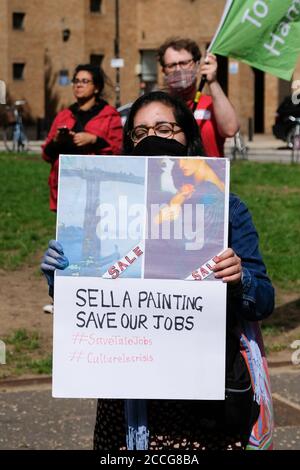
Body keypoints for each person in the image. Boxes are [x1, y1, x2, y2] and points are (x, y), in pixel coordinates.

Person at [41, 91, 274, 450]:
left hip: (203, 399)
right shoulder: (104, 209)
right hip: (128, 402)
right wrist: (61, 273)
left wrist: (239, 278)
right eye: (141, 131)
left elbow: (263, 300)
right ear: (129, 142)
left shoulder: (226, 207)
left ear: (188, 137)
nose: (152, 138)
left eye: (165, 128)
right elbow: (88, 302)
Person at [42, 64, 123, 212]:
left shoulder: (110, 115)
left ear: (97, 88)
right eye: (76, 81)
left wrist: (94, 140)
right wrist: (56, 141)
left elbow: (118, 151)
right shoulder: (64, 116)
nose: (79, 85)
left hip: (98, 188)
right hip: (67, 186)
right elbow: (46, 155)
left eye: (85, 81)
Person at [158, 37, 239, 157]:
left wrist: (212, 82)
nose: (178, 69)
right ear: (164, 70)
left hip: (209, 174)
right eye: (172, 65)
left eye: (184, 63)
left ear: (196, 65)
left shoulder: (211, 104)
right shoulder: (158, 107)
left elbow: (230, 129)